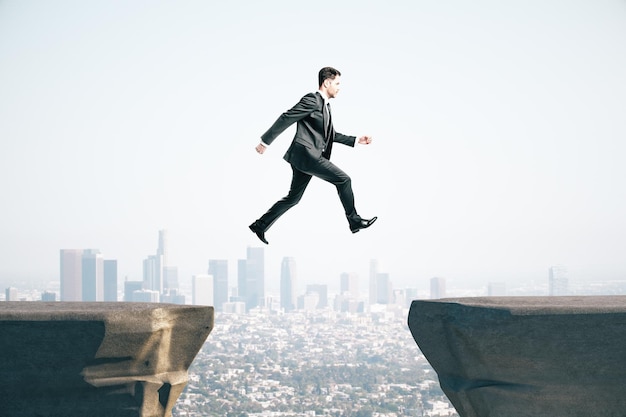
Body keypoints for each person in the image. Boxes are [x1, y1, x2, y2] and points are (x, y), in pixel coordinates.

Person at [249, 67, 377, 245]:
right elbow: (287, 117)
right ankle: (354, 220)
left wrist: (356, 140)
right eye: (338, 83)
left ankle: (260, 225)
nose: (340, 88)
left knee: (293, 198)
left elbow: (330, 134)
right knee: (344, 180)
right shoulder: (312, 100)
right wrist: (265, 142)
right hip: (308, 155)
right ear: (327, 82)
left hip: (304, 157)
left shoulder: (326, 106)